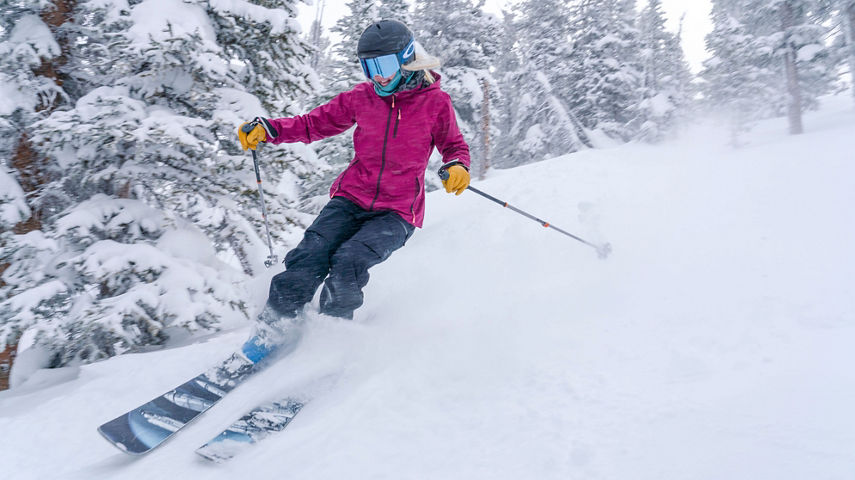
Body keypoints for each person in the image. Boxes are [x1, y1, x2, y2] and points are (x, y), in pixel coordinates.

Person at [238, 19, 471, 326]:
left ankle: (332, 335)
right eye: (368, 66)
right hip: (350, 198)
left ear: (406, 61)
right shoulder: (361, 98)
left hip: (397, 212)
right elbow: (312, 124)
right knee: (308, 256)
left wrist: (457, 166)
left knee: (349, 262)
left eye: (384, 65)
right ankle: (273, 326)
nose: (377, 75)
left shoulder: (435, 102)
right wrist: (271, 129)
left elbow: (453, 145)